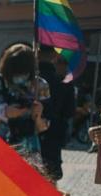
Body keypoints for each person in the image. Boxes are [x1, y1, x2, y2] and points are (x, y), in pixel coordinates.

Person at [0, 43, 50, 156]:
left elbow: (44, 127)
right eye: (15, 71)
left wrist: (38, 116)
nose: (20, 78)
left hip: (29, 154)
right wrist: (2, 115)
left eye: (25, 72)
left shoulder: (39, 85)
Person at [39, 47, 74, 180]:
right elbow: (70, 111)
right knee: (51, 175)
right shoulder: (63, 82)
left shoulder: (30, 79)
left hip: (28, 133)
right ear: (54, 56)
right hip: (54, 133)